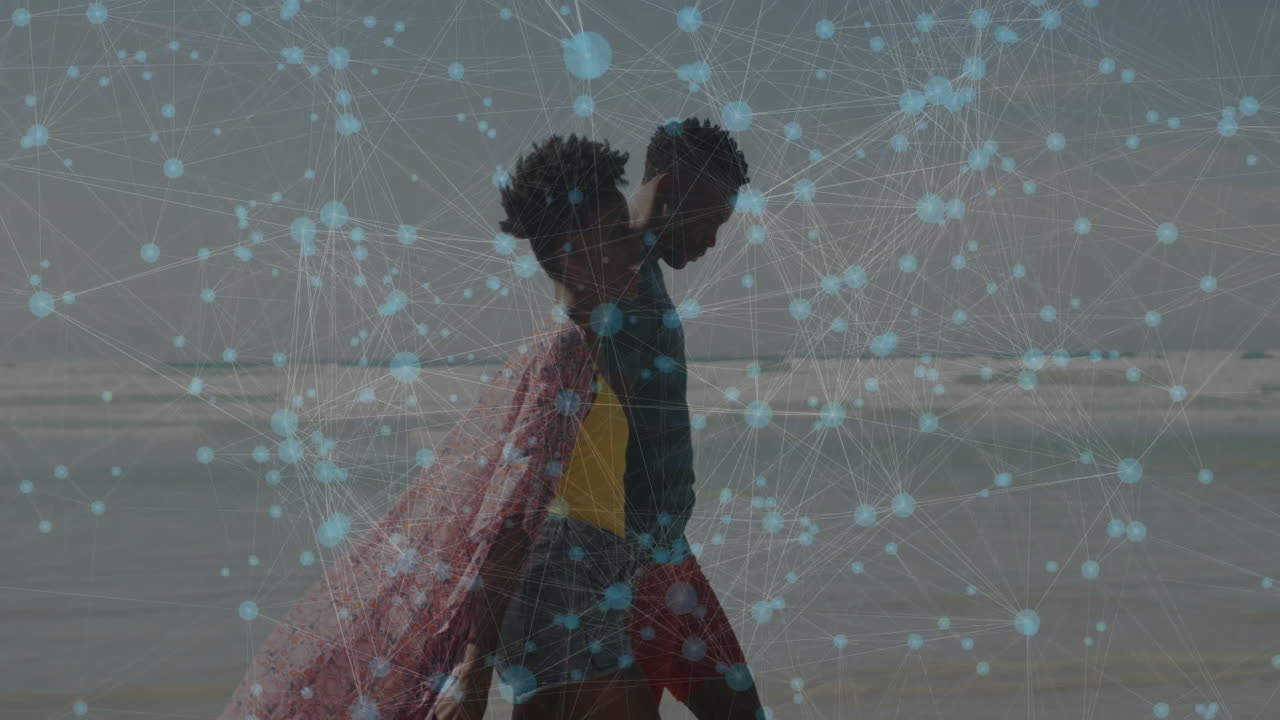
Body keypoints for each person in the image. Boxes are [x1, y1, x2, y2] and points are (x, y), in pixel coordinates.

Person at [216, 133, 655, 720]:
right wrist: (473, 672)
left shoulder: (579, 343)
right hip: (559, 589)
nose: (636, 246)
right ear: (574, 253)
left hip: (579, 584)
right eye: (616, 232)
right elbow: (512, 514)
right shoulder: (565, 352)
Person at [608, 117, 765, 720]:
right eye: (709, 221)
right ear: (669, 187)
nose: (711, 242)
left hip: (670, 554)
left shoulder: (642, 269)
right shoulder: (612, 276)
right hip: (622, 569)